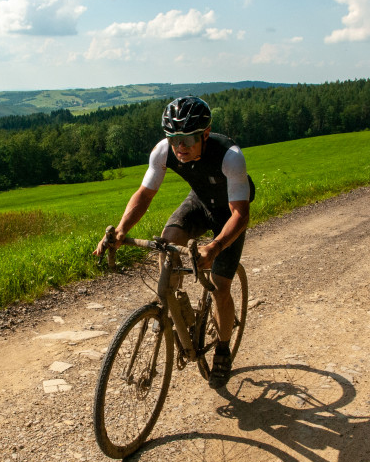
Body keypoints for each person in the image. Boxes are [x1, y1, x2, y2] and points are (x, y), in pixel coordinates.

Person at [94, 96, 254, 388]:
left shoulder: (230, 156)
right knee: (168, 244)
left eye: (188, 139)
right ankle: (170, 305)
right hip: (200, 202)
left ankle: (222, 348)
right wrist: (120, 230)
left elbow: (240, 214)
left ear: (205, 134)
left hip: (228, 214)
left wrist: (215, 247)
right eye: (174, 138)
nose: (180, 146)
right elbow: (143, 195)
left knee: (219, 286)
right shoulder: (163, 151)